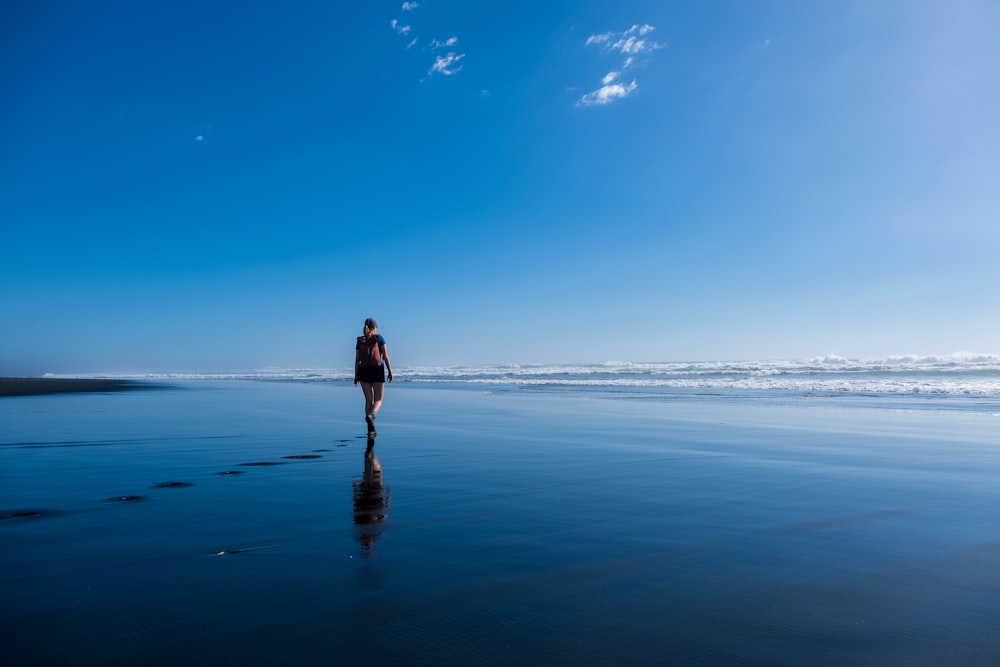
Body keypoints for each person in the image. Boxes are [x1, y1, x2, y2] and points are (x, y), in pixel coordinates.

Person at [354, 317, 392, 435]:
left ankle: (370, 428)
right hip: (377, 371)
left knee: (368, 400)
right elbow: (385, 357)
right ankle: (372, 415)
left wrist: (356, 376)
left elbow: (357, 360)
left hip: (364, 371)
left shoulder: (360, 341)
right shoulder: (379, 338)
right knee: (378, 399)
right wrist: (390, 371)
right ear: (374, 327)